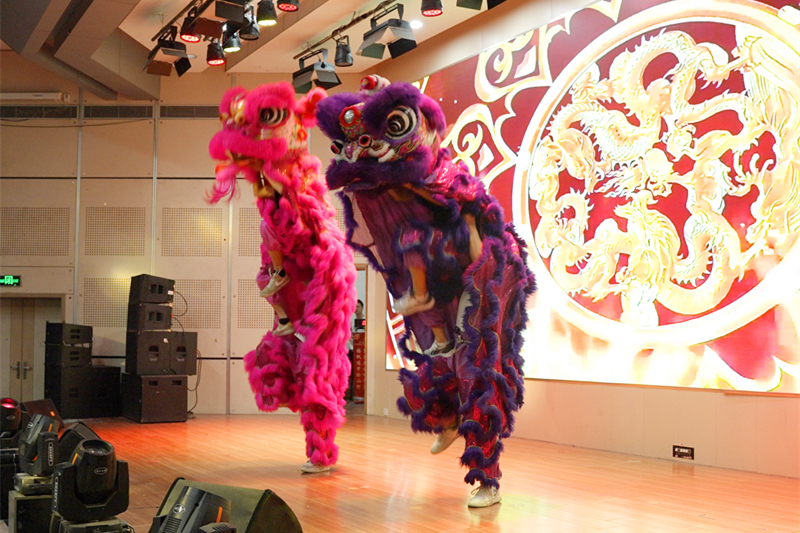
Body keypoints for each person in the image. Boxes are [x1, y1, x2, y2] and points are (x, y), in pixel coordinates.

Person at [317, 76, 536, 506]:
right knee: (437, 353)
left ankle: (486, 477)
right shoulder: (392, 198)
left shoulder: (449, 182)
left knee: (478, 366)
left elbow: (475, 237)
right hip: (441, 280)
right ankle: (448, 417)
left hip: (485, 273)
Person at [209, 82, 357, 474]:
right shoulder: (273, 188)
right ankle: (317, 445)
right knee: (295, 353)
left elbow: (306, 229)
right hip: (293, 280)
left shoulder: (299, 180)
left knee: (316, 364)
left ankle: (321, 450)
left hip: (320, 279)